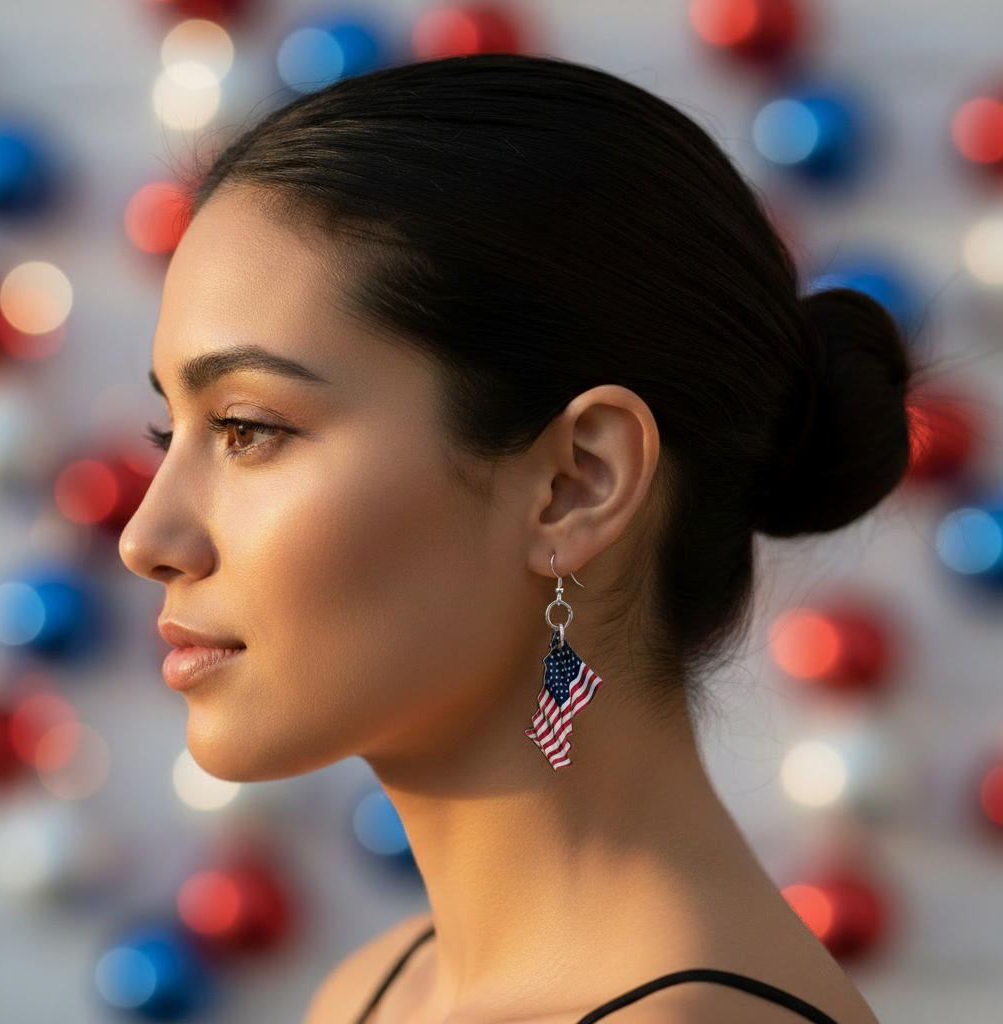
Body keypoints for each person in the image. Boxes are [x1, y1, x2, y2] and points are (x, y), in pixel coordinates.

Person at [119, 53, 910, 1024]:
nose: (148, 536)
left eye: (248, 429)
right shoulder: (370, 992)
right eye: (172, 433)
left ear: (577, 483)